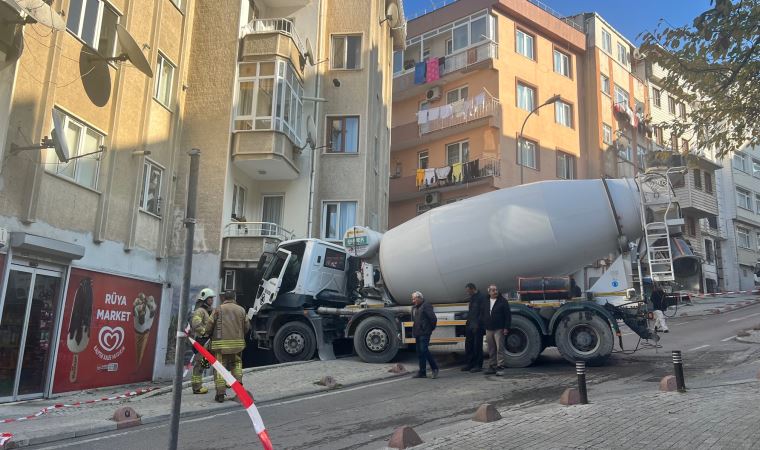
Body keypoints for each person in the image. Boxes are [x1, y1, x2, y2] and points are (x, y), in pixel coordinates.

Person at [207, 290, 250, 402]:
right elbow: (247, 327)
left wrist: (207, 334)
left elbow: (209, 326)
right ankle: (239, 387)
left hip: (221, 346)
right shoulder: (241, 310)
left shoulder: (218, 310)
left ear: (223, 298)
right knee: (236, 365)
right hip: (237, 346)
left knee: (220, 369)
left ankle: (220, 394)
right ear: (234, 297)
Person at [190, 288, 215, 394]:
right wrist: (205, 332)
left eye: (212, 298)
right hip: (202, 341)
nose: (212, 300)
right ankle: (196, 387)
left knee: (205, 364)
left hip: (208, 342)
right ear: (204, 299)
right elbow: (196, 324)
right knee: (199, 365)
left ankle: (199, 384)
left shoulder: (210, 310)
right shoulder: (200, 311)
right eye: (210, 298)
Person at [482, 285, 511, 376]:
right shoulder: (486, 301)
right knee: (491, 348)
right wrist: (484, 324)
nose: (495, 292)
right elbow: (483, 313)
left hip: (499, 328)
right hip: (489, 328)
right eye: (493, 290)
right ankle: (492, 366)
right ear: (489, 292)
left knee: (499, 348)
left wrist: (506, 327)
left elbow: (508, 315)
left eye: (496, 290)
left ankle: (500, 367)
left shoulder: (503, 301)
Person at [411, 291, 439, 379]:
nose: (413, 301)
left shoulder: (426, 305)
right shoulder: (415, 307)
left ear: (420, 298)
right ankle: (422, 372)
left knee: (424, 350)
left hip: (424, 332)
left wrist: (430, 329)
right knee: (420, 352)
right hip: (418, 333)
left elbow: (433, 319)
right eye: (412, 299)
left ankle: (435, 368)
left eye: (414, 299)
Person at [462, 283, 486, 372]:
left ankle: (478, 365)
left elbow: (482, 313)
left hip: (478, 326)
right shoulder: (472, 297)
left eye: (468, 291)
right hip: (470, 325)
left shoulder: (481, 297)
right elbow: (471, 311)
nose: (467, 293)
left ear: (473, 289)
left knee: (477, 346)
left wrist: (478, 324)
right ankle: (470, 364)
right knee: (468, 345)